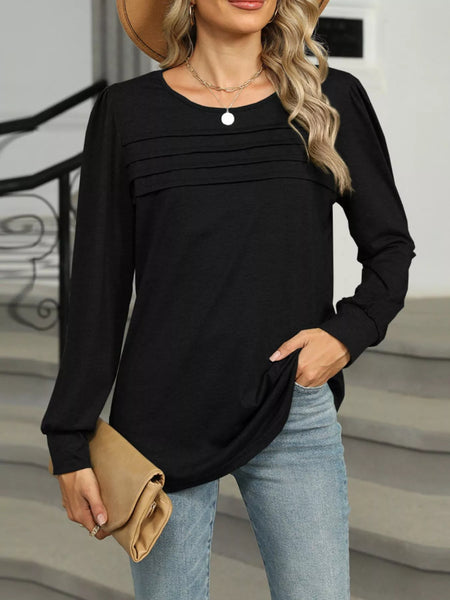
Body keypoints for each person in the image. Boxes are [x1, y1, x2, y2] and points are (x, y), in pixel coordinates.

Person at [40, 0, 416, 598]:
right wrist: (69, 439)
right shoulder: (127, 112)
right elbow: (97, 290)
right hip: (160, 421)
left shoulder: (328, 98)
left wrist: (346, 334)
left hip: (290, 405)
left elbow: (390, 246)